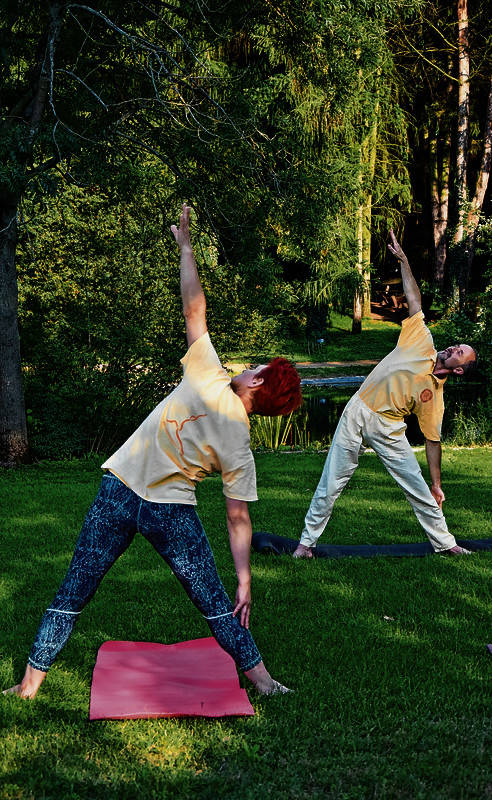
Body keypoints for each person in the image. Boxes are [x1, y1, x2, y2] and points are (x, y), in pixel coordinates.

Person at [5, 204, 302, 699]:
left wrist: (185, 247)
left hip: (119, 491)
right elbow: (237, 519)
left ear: (258, 382)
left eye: (256, 368)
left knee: (76, 588)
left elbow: (193, 308)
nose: (248, 366)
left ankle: (29, 685)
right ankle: (266, 683)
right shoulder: (241, 445)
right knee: (213, 601)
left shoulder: (208, 372)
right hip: (168, 509)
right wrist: (245, 579)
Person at [293, 229, 478, 559]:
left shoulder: (435, 396)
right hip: (357, 409)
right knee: (331, 482)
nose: (455, 348)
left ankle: (446, 544)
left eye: (461, 352)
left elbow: (433, 441)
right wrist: (405, 261)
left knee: (417, 487)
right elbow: (415, 301)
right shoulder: (422, 340)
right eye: (457, 345)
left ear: (460, 369)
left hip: (388, 428)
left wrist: (437, 484)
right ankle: (306, 545)